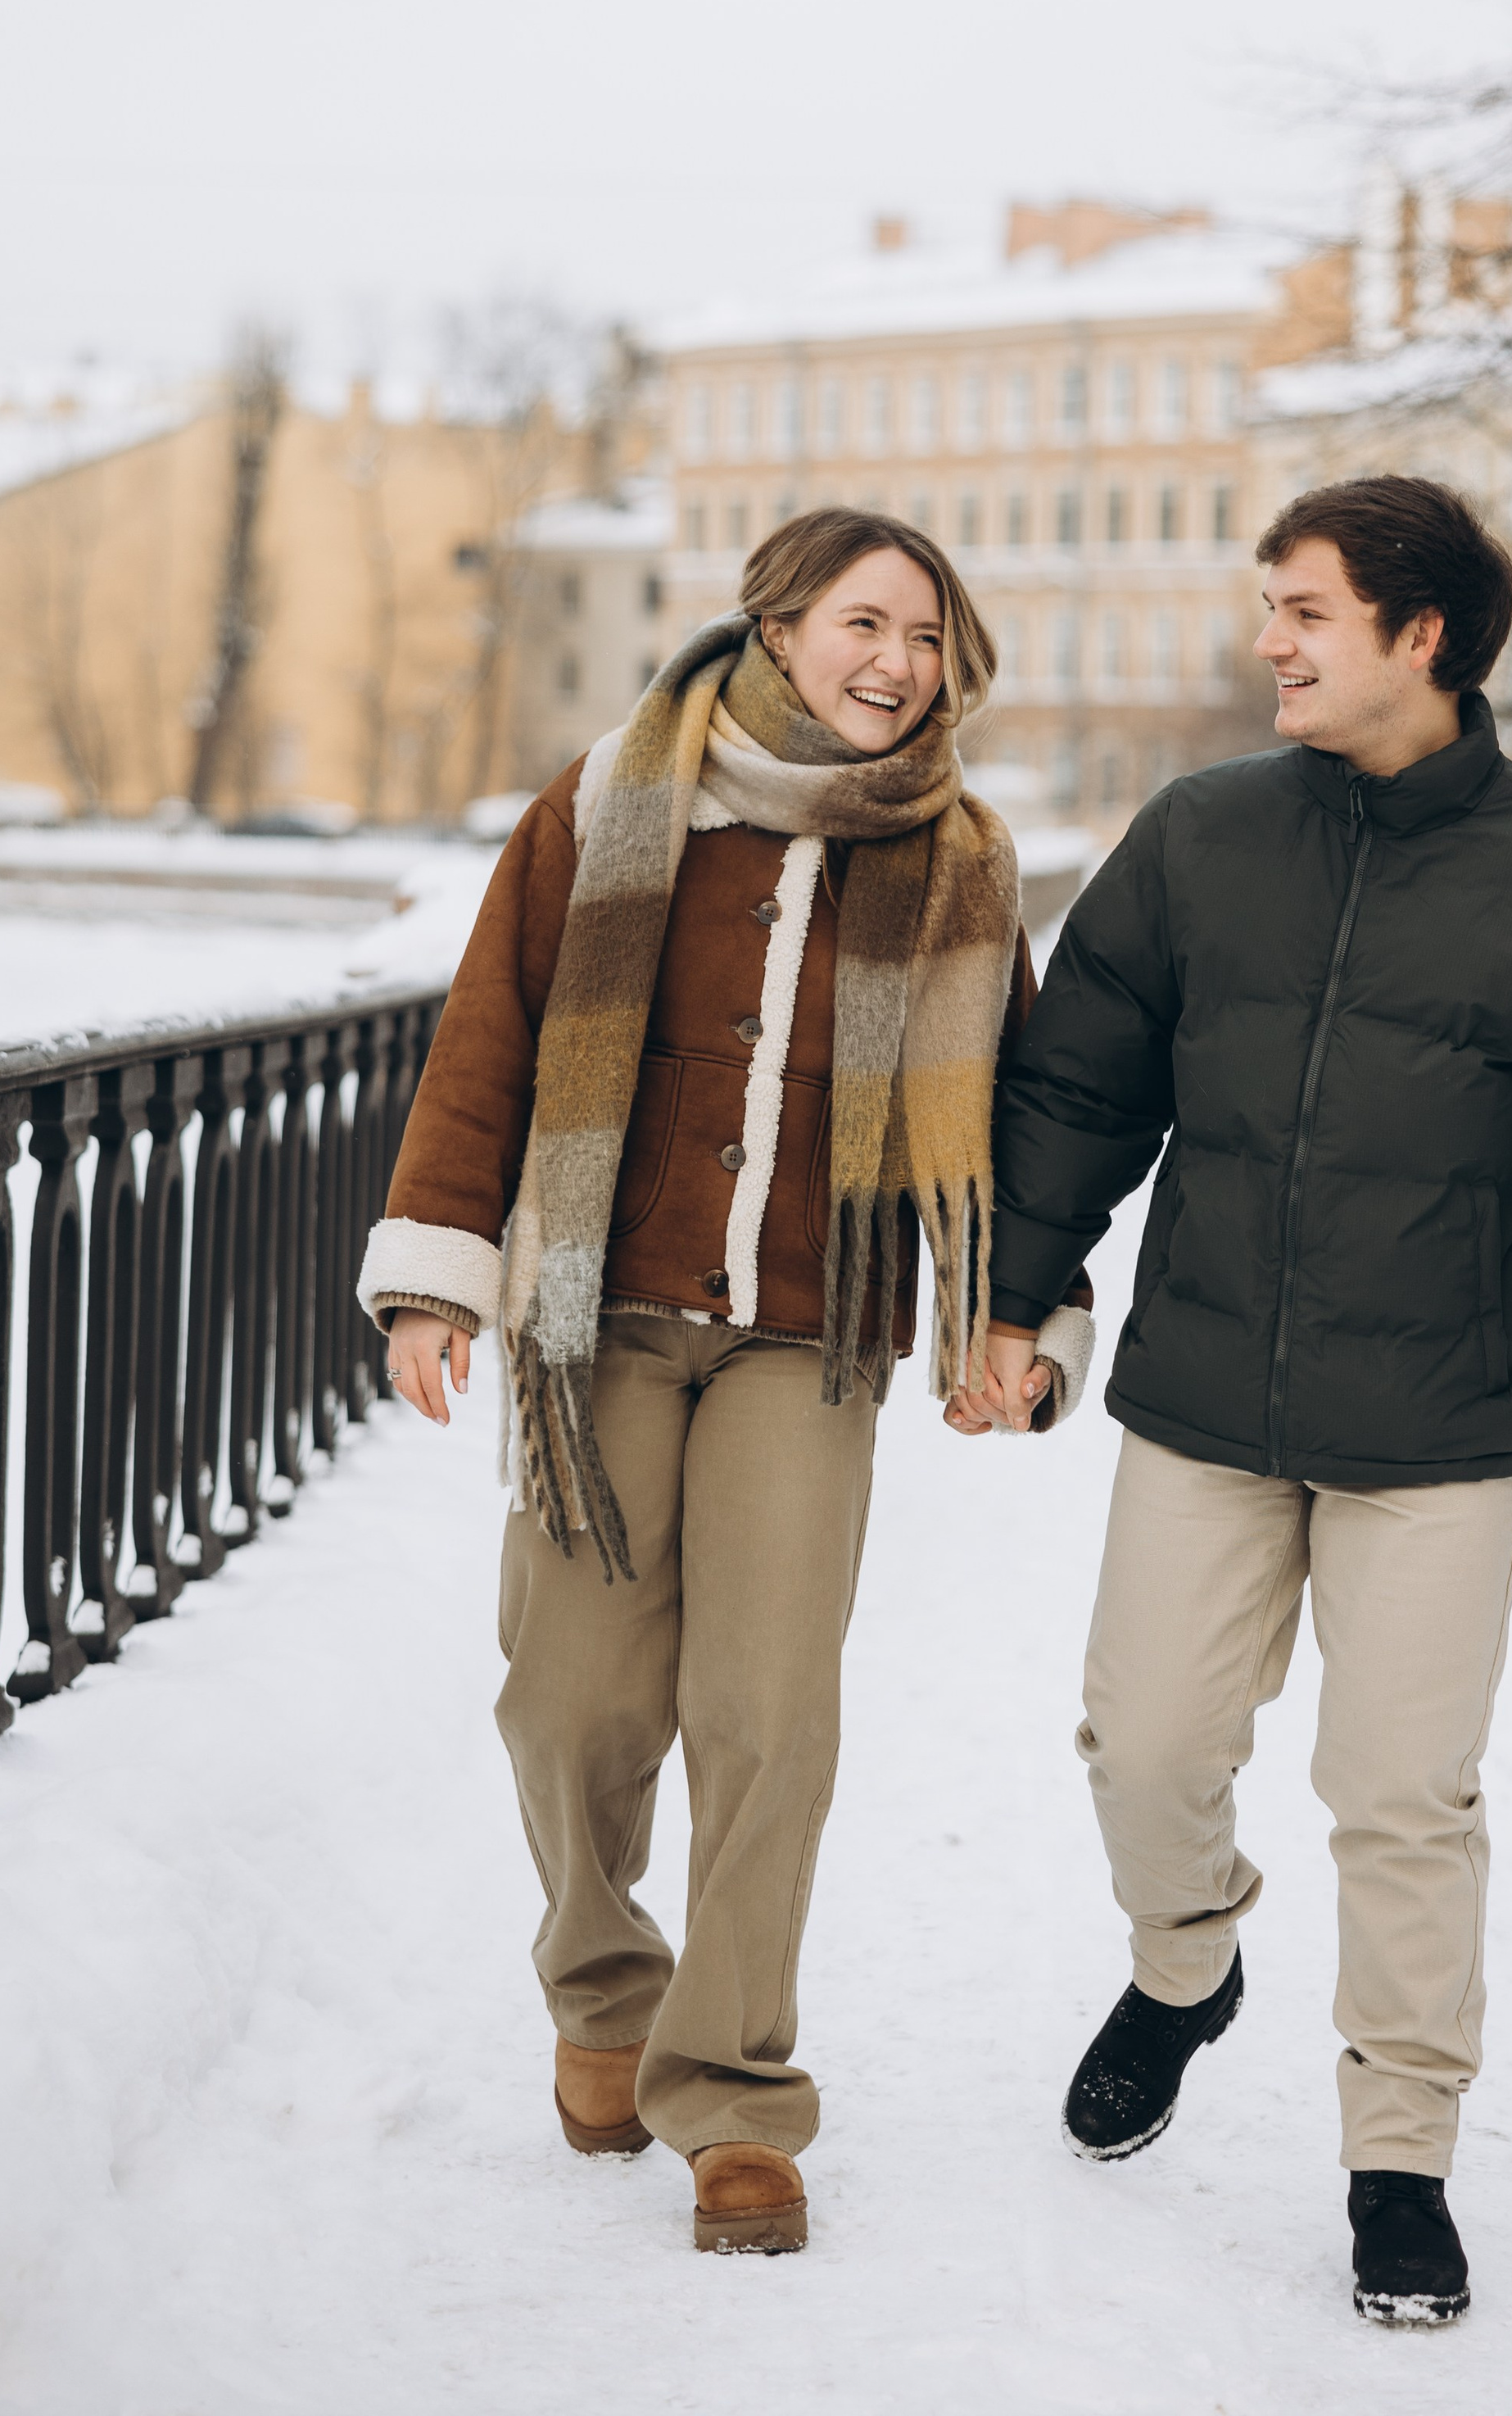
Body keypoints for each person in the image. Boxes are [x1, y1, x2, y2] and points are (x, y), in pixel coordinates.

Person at [970, 474, 1512, 2327]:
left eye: (1303, 609)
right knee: (1145, 1746)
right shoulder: (1201, 836)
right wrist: (1011, 1293)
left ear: (1423, 636)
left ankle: (1398, 2154)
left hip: (1440, 1430)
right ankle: (1181, 1970)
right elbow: (1080, 1089)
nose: (1269, 642)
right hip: (1206, 1396)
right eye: (1267, 604)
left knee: (1402, 1797)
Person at [357, 509, 1092, 2258]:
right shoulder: (609, 805)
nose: (895, 664)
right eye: (863, 624)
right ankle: (602, 1993)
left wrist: (1019, 1327)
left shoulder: (960, 864)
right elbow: (490, 1038)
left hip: (803, 1333)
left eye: (924, 636)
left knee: (767, 1713)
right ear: (774, 626)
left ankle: (737, 2098)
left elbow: (1015, 1124)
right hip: (593, 1314)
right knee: (573, 1695)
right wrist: (432, 1281)